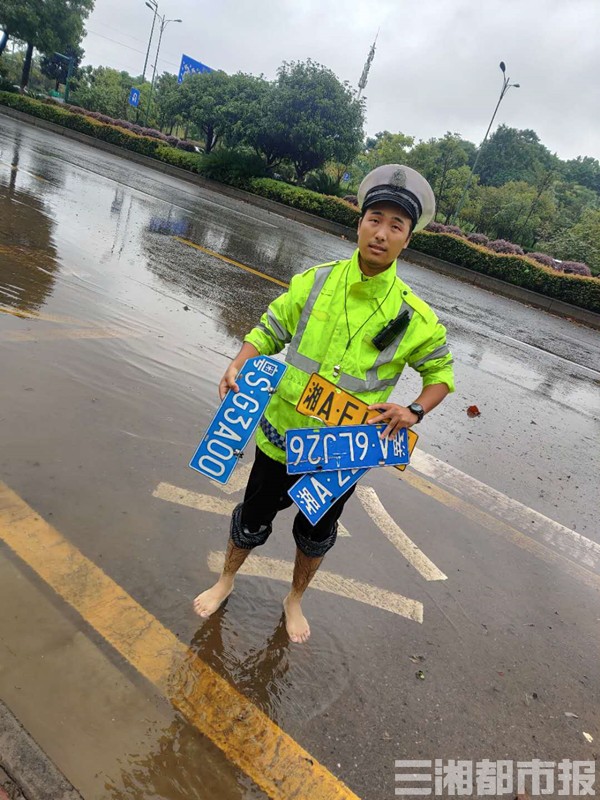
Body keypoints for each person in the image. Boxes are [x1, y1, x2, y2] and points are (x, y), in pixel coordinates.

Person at [193, 164, 455, 643]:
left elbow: (441, 376)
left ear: (407, 239)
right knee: (251, 517)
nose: (381, 233)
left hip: (340, 451)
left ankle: (294, 598)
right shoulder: (314, 282)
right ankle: (226, 578)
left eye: (396, 226)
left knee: (316, 532)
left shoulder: (416, 318)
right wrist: (239, 361)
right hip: (279, 436)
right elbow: (270, 328)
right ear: (360, 223)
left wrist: (414, 410)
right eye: (375, 218)